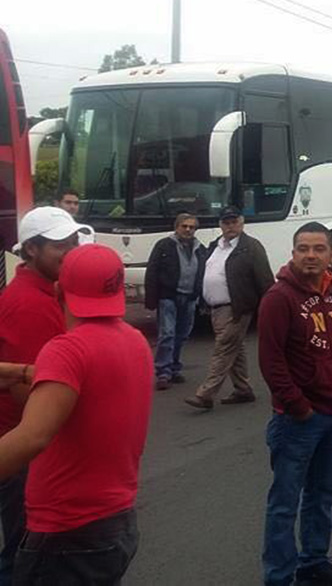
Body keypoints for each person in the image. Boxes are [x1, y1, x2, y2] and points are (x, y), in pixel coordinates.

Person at [0, 244, 152, 585]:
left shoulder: (66, 349)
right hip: (115, 522)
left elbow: (32, 437)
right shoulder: (135, 341)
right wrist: (21, 372)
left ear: (58, 290)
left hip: (66, 533)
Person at [258, 222, 332, 586]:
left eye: (318, 249)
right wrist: (298, 406)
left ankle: (314, 563)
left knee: (322, 494)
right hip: (299, 419)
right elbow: (271, 362)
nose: (311, 256)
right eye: (303, 249)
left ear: (331, 253)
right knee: (284, 504)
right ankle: (279, 577)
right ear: (293, 253)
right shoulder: (279, 298)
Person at [0, 207, 91, 586]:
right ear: (31, 249)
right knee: (25, 554)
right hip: (25, 452)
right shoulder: (29, 304)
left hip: (28, 447)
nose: (71, 252)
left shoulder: (46, 292)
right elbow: (30, 393)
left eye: (73, 242)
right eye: (60, 245)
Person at [185, 206, 274, 410]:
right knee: (235, 348)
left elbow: (265, 279)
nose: (230, 226)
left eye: (234, 222)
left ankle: (205, 394)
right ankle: (243, 390)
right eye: (226, 222)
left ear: (242, 222)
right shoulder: (215, 246)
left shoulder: (251, 247)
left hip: (238, 308)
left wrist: (269, 308)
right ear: (220, 224)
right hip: (215, 309)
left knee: (223, 349)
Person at [144, 213, 208, 390]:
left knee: (182, 335)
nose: (188, 230)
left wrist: (202, 299)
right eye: (184, 226)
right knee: (167, 334)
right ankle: (163, 373)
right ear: (176, 227)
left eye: (192, 227)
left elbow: (204, 275)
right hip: (168, 297)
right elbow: (152, 272)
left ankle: (174, 368)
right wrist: (151, 299)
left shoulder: (200, 249)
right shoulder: (164, 245)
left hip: (190, 298)